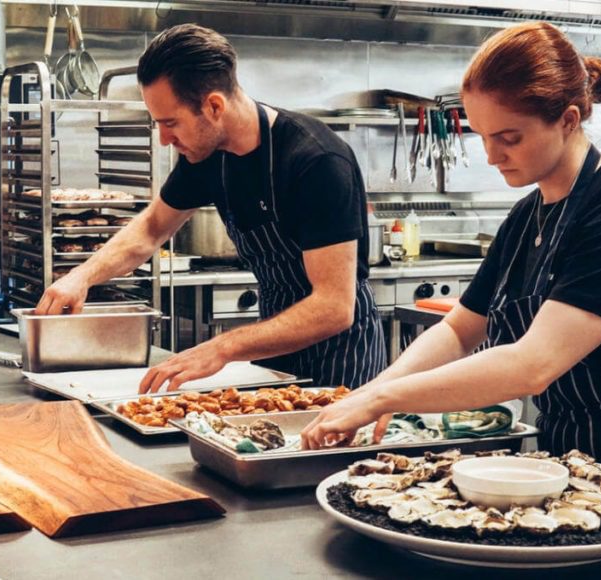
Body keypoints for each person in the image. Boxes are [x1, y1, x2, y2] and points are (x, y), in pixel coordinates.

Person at [301, 21, 601, 539]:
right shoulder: (526, 217)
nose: (492, 156)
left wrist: (386, 400)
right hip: (578, 464)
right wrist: (373, 390)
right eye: (482, 137)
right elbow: (458, 331)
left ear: (567, 119)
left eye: (509, 138)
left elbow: (532, 365)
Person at [35, 24, 385, 393]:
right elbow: (152, 227)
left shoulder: (315, 160)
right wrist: (81, 277)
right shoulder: (207, 157)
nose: (164, 139)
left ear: (214, 106)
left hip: (343, 359)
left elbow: (333, 307)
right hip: (273, 348)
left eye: (171, 123)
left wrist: (223, 347)